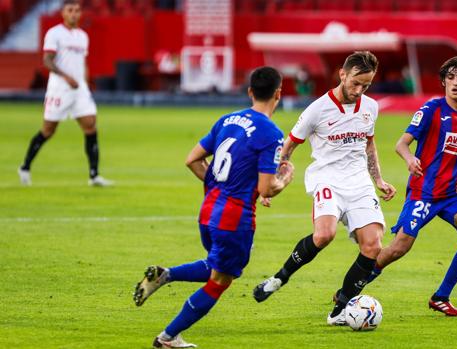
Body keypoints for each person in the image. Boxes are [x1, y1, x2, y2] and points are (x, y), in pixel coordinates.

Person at [133, 66, 294, 348]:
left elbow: (192, 160)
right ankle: (167, 338)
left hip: (208, 211)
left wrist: (218, 188)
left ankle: (165, 275)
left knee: (215, 265)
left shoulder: (227, 120)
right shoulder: (271, 133)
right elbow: (267, 188)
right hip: (235, 218)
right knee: (220, 281)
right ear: (278, 94)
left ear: (249, 92)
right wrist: (285, 179)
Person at [252, 51, 396, 326]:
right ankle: (279, 278)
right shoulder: (317, 110)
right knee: (324, 234)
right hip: (327, 179)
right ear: (342, 74)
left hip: (359, 182)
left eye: (366, 85)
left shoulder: (370, 107)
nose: (359, 90)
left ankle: (339, 310)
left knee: (373, 246)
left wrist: (378, 180)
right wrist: (270, 182)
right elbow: (288, 147)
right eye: (355, 83)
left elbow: (368, 144)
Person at [365, 56, 457, 317]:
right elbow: (401, 144)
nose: (455, 83)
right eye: (450, 78)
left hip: (452, 194)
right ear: (443, 82)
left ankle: (441, 297)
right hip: (424, 193)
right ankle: (353, 286)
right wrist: (410, 160)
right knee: (399, 248)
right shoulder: (431, 109)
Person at [18, 0, 112, 187]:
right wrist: (66, 77)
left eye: (77, 10)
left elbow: (82, 62)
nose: (74, 14)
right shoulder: (54, 34)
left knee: (90, 125)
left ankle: (94, 175)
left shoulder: (82, 36)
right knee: (48, 130)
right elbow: (47, 60)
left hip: (80, 90)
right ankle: (25, 167)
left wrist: (85, 82)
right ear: (63, 13)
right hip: (60, 89)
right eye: (70, 10)